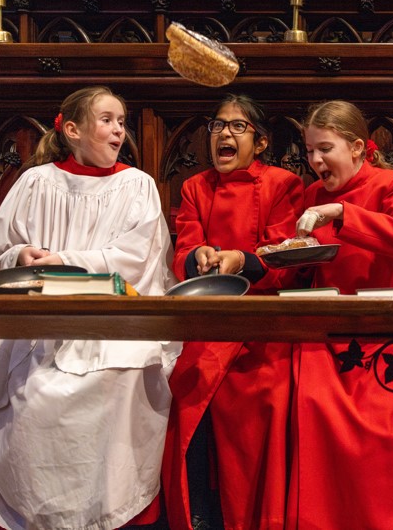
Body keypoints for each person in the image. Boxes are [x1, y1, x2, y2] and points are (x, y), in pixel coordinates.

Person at [0, 86, 179, 529]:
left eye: (122, 121)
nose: (119, 129)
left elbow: (138, 260)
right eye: (107, 120)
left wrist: (66, 261)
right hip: (38, 326)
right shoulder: (35, 182)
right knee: (33, 394)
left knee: (115, 390)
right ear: (73, 130)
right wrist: (21, 256)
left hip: (111, 328)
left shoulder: (137, 185)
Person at [162, 95, 304, 530]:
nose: (224, 134)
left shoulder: (283, 184)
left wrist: (242, 260)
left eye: (238, 127)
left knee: (266, 403)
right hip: (207, 319)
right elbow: (183, 250)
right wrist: (199, 254)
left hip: (263, 324)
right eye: (218, 126)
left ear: (259, 143)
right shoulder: (195, 187)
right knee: (187, 400)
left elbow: (287, 256)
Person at [286, 100, 393, 530]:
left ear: (357, 148)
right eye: (309, 150)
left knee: (388, 437)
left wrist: (345, 213)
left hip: (385, 329)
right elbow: (299, 253)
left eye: (324, 149)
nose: (314, 161)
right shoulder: (311, 194)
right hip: (329, 332)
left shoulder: (392, 184)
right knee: (311, 406)